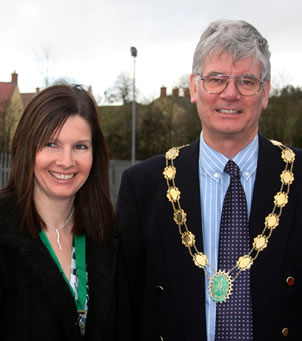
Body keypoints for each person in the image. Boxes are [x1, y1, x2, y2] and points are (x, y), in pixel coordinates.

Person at [116, 20, 302, 340]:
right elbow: (123, 314)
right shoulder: (144, 187)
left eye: (246, 81)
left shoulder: (298, 178)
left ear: (266, 92)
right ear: (193, 87)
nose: (230, 94)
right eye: (216, 79)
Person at [0, 84, 120, 340]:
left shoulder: (110, 235)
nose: (66, 161)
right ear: (27, 147)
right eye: (51, 144)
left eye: (80, 146)